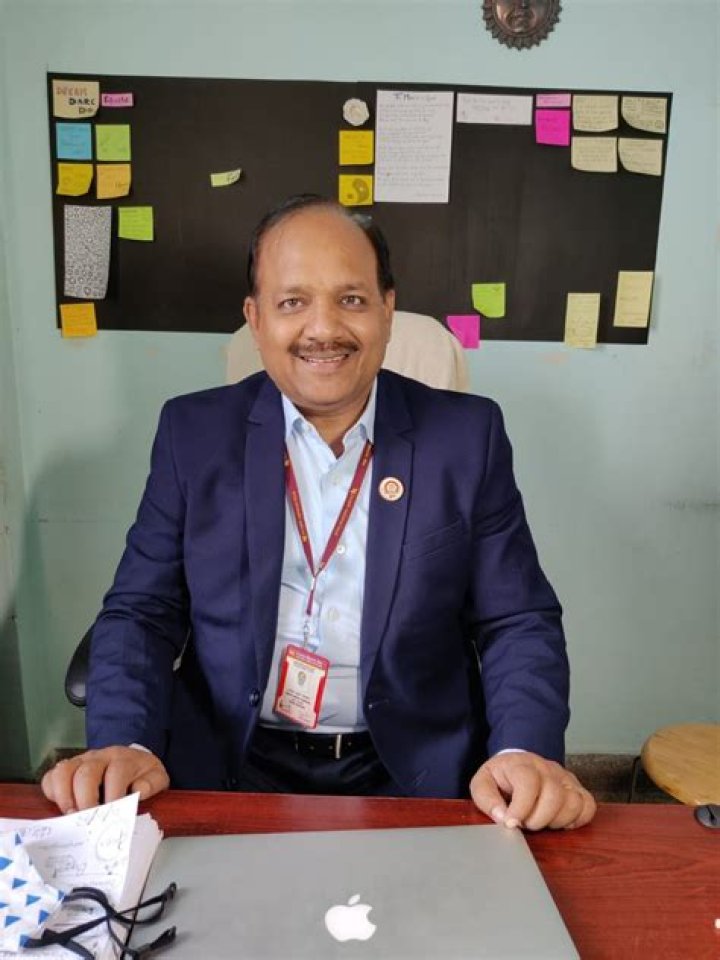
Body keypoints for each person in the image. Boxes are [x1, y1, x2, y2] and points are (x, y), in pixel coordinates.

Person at [43, 195, 596, 831]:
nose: (323, 329)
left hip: (413, 773)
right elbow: (141, 611)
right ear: (256, 320)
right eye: (292, 302)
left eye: (352, 299)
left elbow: (516, 618)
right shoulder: (193, 435)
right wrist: (124, 741)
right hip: (230, 765)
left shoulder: (466, 439)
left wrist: (523, 750)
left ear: (387, 310)